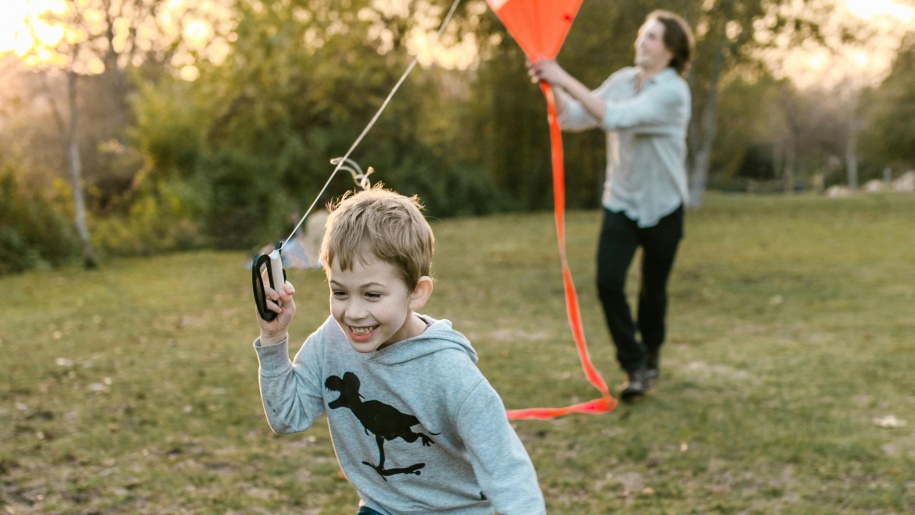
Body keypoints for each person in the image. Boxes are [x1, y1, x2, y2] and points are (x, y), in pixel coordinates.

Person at [252, 185, 546, 514]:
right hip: (383, 508)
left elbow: (508, 472)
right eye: (340, 292)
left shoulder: (452, 375)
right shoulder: (330, 342)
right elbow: (285, 417)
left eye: (372, 294)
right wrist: (274, 339)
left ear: (417, 293)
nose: (354, 312)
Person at [528, 10, 695, 400]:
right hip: (621, 202)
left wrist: (561, 74)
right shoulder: (622, 80)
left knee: (653, 291)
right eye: (642, 33)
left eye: (652, 37)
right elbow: (573, 117)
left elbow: (616, 118)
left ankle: (650, 354)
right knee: (608, 282)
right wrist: (549, 85)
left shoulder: (673, 92)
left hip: (665, 207)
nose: (642, 41)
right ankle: (634, 365)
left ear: (670, 50)